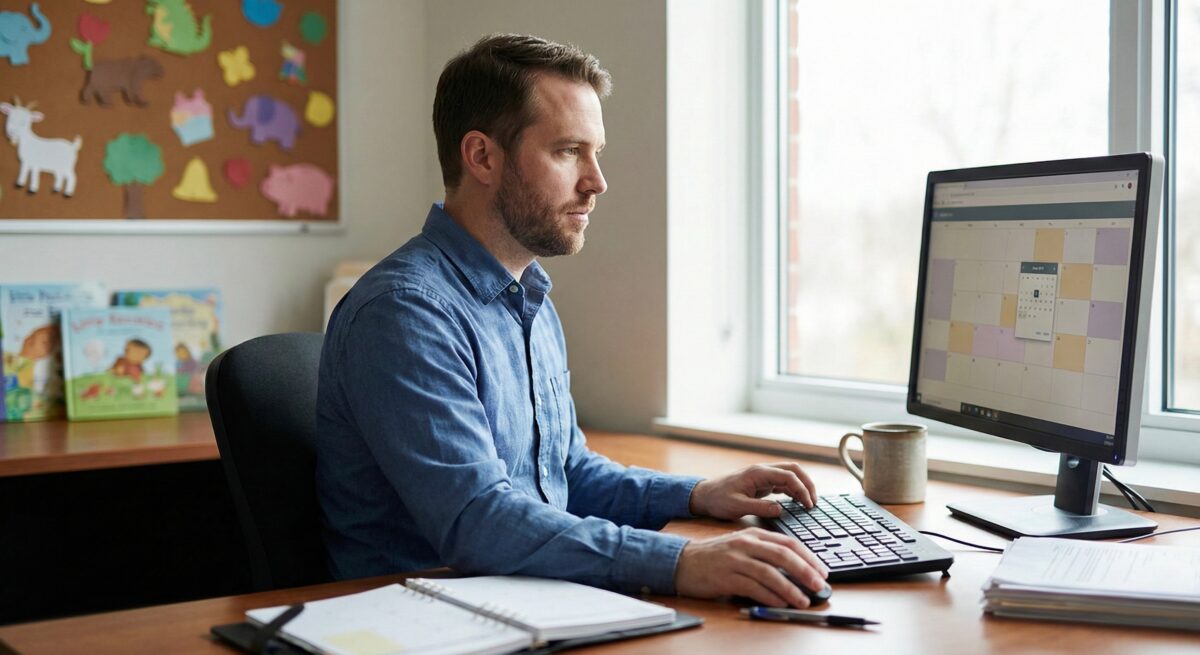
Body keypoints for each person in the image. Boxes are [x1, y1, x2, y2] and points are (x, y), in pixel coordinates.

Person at [316, 33, 827, 608]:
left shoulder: (527, 297)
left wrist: (700, 494)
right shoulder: (405, 312)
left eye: (596, 152)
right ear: (482, 157)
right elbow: (477, 522)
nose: (596, 181)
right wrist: (681, 559)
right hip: (424, 615)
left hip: (525, 598)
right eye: (568, 152)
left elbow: (564, 472)